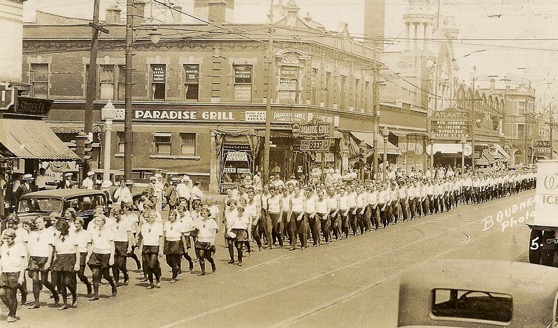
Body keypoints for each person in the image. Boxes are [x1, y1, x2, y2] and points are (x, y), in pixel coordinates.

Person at [27, 216, 59, 309]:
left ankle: (54, 292)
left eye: (40, 222)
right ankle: (36, 302)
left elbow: (50, 248)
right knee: (35, 280)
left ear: (45, 222)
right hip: (34, 258)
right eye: (36, 223)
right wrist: (27, 259)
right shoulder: (32, 234)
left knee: (44, 280)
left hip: (44, 258)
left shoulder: (49, 233)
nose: (37, 224)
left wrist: (49, 261)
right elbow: (29, 248)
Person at [86, 215, 117, 301]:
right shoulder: (94, 232)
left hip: (105, 254)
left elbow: (112, 245)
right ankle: (96, 294)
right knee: (95, 274)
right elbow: (92, 245)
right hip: (96, 253)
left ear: (103, 222)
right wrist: (88, 256)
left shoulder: (108, 232)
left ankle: (113, 284)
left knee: (106, 275)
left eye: (99, 220)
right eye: (96, 221)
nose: (97, 222)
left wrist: (111, 258)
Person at [51, 220, 80, 310]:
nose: (60, 231)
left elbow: (77, 250)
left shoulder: (72, 235)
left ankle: (74, 294)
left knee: (67, 282)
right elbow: (55, 249)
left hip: (70, 258)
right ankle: (65, 303)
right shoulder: (57, 236)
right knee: (61, 282)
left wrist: (77, 263)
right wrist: (55, 258)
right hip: (60, 259)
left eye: (61, 229)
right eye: (58, 229)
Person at [0, 229, 26, 323]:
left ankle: (12, 314)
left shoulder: (19, 246)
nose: (7, 240)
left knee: (12, 295)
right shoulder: (3, 246)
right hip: (4, 273)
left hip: (15, 272)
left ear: (13, 237)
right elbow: (2, 260)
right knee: (2, 294)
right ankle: (11, 309)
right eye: (5, 238)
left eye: (9, 238)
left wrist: (21, 276)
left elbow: (23, 262)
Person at [138, 210, 163, 289]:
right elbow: (143, 238)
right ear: (147, 217)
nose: (151, 216)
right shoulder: (144, 226)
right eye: (150, 215)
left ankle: (158, 277)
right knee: (147, 266)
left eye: (153, 215)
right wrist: (140, 248)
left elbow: (161, 238)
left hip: (154, 246)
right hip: (146, 246)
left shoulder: (159, 225)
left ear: (155, 217)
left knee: (152, 265)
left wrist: (161, 249)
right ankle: (151, 282)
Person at [111, 208, 133, 286]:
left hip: (123, 243)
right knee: (114, 264)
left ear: (121, 213)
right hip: (114, 243)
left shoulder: (126, 222)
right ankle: (116, 280)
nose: (116, 216)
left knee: (121, 264)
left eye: (117, 214)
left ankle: (125, 274)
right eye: (114, 215)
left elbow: (130, 235)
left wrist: (130, 246)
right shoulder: (112, 222)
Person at [163, 210, 188, 283]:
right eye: (169, 215)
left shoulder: (179, 224)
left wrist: (185, 247)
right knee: (168, 260)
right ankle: (177, 268)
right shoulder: (166, 224)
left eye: (172, 215)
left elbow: (182, 236)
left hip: (176, 242)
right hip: (168, 242)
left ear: (175, 217)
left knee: (174, 260)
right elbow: (164, 234)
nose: (170, 217)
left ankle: (173, 277)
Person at [193, 205, 218, 275]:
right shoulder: (199, 221)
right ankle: (202, 270)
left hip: (208, 240)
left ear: (208, 213)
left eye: (204, 213)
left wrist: (213, 240)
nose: (203, 215)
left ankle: (212, 264)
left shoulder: (212, 221)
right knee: (201, 255)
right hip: (201, 240)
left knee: (208, 256)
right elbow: (196, 230)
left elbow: (214, 231)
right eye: (202, 213)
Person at [73, 217, 92, 295]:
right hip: (73, 254)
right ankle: (74, 291)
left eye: (78, 223)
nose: (76, 225)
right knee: (73, 274)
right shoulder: (72, 233)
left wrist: (88, 256)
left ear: (81, 224)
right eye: (75, 223)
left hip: (82, 253)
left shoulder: (86, 233)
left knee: (80, 274)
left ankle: (88, 284)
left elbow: (89, 245)